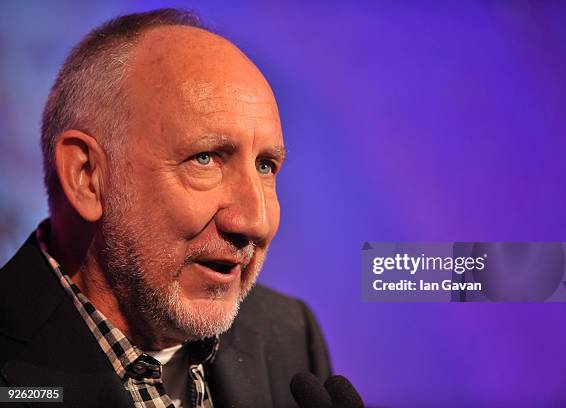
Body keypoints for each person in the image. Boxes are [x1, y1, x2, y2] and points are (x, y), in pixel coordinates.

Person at [0, 8, 331, 408]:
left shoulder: (288, 334)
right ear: (87, 176)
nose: (255, 221)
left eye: (266, 166)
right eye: (206, 158)